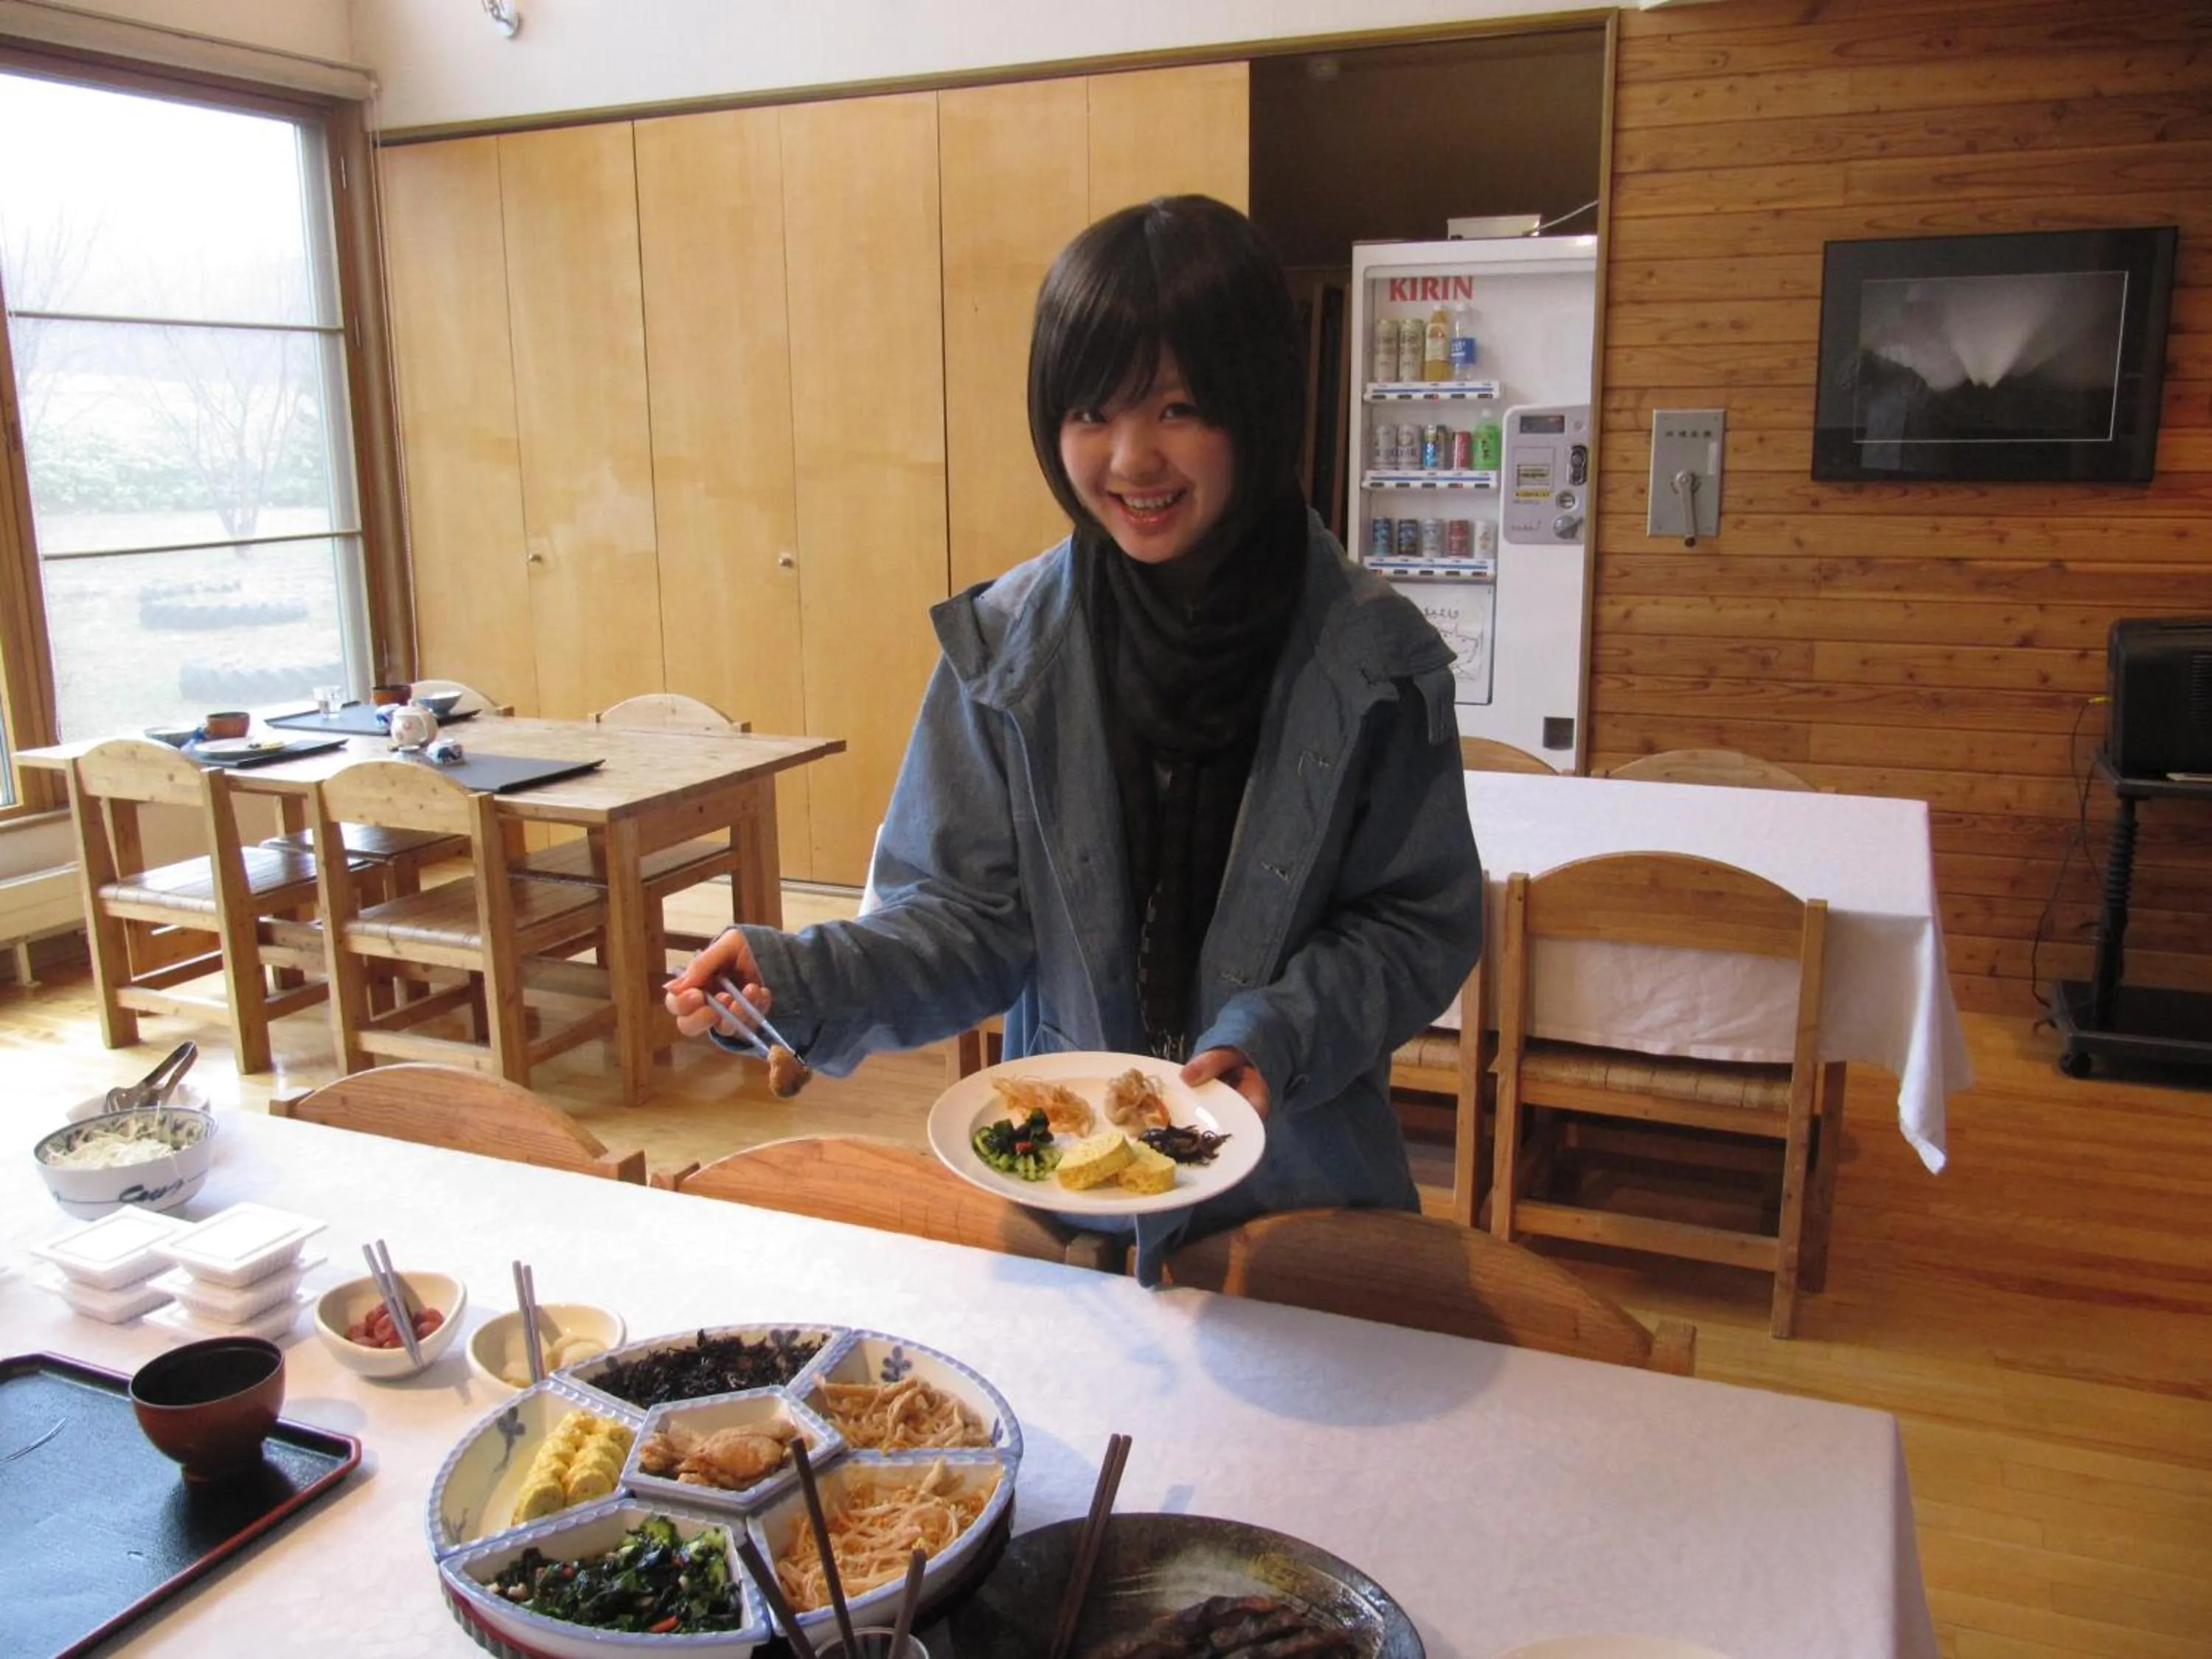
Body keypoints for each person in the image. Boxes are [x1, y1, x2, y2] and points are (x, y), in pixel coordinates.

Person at [667, 194, 1483, 1281]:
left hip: (1301, 1195)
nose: (1131, 458)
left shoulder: (1375, 658)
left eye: (1181, 407)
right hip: (1061, 1199)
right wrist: (797, 978)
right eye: (1092, 410)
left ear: (1258, 405)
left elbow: (1418, 919)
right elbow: (964, 919)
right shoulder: (1010, 649)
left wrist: (1279, 1032)